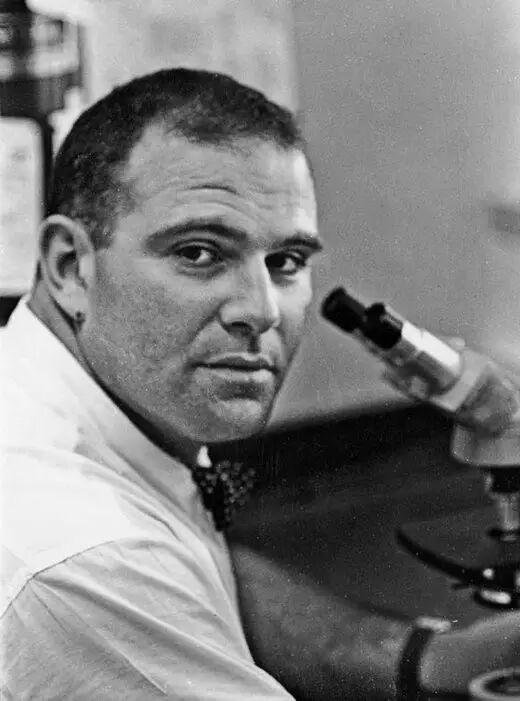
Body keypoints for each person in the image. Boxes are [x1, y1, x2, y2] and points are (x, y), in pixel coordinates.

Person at [0, 67, 518, 700]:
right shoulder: (85, 559)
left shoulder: (65, 399)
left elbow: (195, 563)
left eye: (286, 261)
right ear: (70, 267)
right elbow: (135, 575)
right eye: (199, 252)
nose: (262, 309)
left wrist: (428, 658)